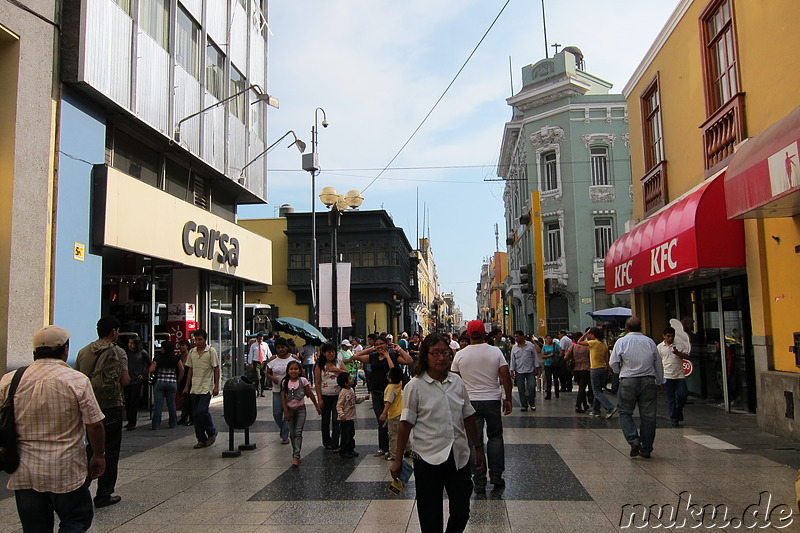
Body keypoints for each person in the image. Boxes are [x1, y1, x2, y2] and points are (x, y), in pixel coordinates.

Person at [3, 325, 106, 531]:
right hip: (66, 469)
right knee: (75, 521)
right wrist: (98, 455)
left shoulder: (10, 380)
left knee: (34, 527)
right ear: (64, 349)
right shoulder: (76, 380)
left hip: (25, 470)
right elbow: (94, 424)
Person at [391, 332, 484, 533]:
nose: (441, 358)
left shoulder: (457, 382)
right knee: (430, 516)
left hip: (458, 456)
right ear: (425, 356)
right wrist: (398, 459)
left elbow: (468, 415)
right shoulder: (414, 386)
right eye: (435, 353)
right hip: (427, 457)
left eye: (445, 353)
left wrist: (477, 447)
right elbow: (405, 423)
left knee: (461, 510)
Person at [450, 319, 512, 494]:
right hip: (492, 400)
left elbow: (454, 381)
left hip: (469, 403)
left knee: (474, 441)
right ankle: (496, 476)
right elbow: (505, 375)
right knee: (495, 437)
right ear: (485, 333)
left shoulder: (460, 355)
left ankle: (478, 480)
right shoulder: (495, 352)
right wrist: (507, 398)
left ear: (469, 334)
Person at [75, 315, 129, 508]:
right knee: (111, 451)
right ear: (113, 331)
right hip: (111, 407)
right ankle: (104, 494)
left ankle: (81, 489)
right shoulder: (119, 352)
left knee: (89, 449)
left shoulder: (83, 352)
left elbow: (79, 380)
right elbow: (124, 380)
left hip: (88, 407)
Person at [609, 317, 664, 458]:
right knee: (649, 416)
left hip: (628, 380)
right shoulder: (649, 341)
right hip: (648, 380)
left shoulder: (621, 342)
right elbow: (658, 363)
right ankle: (646, 449)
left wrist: (619, 372)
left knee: (624, 412)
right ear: (641, 328)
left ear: (626, 329)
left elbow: (613, 362)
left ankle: (633, 439)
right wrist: (659, 381)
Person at [352, 335, 413, 457]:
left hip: (392, 394)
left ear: (387, 344)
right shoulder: (373, 356)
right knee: (381, 421)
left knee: (393, 422)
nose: (380, 346)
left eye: (382, 344)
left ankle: (397, 449)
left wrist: (397, 350)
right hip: (377, 393)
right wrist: (371, 349)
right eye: (377, 344)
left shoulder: (393, 356)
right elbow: (357, 356)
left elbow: (409, 361)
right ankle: (383, 448)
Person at [183, 329, 220, 449]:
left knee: (202, 410)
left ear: (205, 340)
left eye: (200, 339)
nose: (197, 342)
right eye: (196, 339)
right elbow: (190, 370)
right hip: (195, 387)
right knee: (195, 414)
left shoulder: (211, 352)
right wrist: (187, 386)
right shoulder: (192, 352)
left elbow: (216, 368)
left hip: (206, 386)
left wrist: (216, 386)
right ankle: (201, 438)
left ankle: (211, 431)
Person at [281, 360, 321, 466]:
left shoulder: (303, 381)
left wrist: (316, 405)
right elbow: (283, 397)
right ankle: (296, 451)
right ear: (288, 371)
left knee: (298, 433)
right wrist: (285, 411)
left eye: (296, 369)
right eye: (291, 369)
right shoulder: (285, 382)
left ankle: (296, 455)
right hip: (290, 410)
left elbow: (310, 394)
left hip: (301, 410)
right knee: (292, 433)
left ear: (299, 371)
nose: (293, 371)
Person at [314, 343, 348, 452]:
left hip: (338, 395)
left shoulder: (339, 363)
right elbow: (317, 382)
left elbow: (347, 374)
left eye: (333, 351)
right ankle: (326, 441)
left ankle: (335, 443)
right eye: (328, 352)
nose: (331, 354)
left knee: (336, 419)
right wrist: (319, 398)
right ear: (324, 353)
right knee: (325, 420)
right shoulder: (320, 365)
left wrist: (337, 370)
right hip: (325, 395)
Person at [577, 327, 616, 419]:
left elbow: (579, 341)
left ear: (593, 335)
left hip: (595, 369)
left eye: (590, 334)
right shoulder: (604, 345)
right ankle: (596, 410)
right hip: (603, 369)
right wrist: (609, 370)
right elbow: (607, 360)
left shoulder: (593, 343)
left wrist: (585, 334)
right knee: (599, 390)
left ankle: (610, 407)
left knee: (596, 391)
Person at [267, 337, 297, 444]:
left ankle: (285, 435)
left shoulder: (293, 359)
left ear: (287, 347)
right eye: (278, 347)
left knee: (288, 413)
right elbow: (268, 373)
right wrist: (272, 378)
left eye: (283, 347)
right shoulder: (272, 360)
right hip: (277, 390)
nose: (281, 349)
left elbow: (300, 372)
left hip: (290, 390)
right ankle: (284, 429)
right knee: (277, 413)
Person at [658, 326, 689, 427]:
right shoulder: (660, 347)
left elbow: (687, 356)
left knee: (683, 395)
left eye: (672, 336)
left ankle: (678, 408)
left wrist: (678, 353)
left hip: (679, 374)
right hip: (667, 375)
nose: (670, 338)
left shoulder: (679, 345)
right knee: (670, 398)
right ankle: (674, 418)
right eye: (668, 336)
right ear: (664, 336)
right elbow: (658, 361)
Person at [149, 340, 183, 430]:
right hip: (172, 383)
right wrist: (178, 380)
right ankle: (173, 423)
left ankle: (155, 424)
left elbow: (151, 370)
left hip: (160, 382)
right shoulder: (176, 358)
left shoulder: (158, 358)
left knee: (158, 405)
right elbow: (182, 370)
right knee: (171, 404)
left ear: (163, 349)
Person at [336, 372, 370, 458]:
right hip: (345, 418)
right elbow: (339, 405)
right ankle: (344, 450)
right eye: (350, 379)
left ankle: (351, 449)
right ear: (345, 383)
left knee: (351, 434)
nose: (352, 380)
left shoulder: (351, 390)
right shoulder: (343, 392)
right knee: (345, 435)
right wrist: (341, 414)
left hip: (351, 417)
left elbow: (355, 400)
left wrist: (364, 398)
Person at [122, 334, 149, 430]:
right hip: (127, 379)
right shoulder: (125, 352)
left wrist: (144, 374)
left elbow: (149, 364)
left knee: (133, 401)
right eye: (129, 343)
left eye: (132, 343)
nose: (130, 345)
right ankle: (129, 420)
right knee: (128, 401)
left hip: (136, 380)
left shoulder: (142, 353)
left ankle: (132, 421)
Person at [510, 330, 539, 412]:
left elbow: (535, 357)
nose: (516, 338)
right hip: (519, 370)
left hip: (530, 370)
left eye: (517, 336)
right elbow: (512, 359)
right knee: (521, 389)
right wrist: (512, 370)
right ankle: (524, 405)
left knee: (532, 386)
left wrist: (536, 367)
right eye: (515, 337)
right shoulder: (514, 347)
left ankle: (532, 402)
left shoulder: (530, 345)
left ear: (522, 337)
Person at [378, 366, 404, 461]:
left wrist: (384, 413)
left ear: (390, 378)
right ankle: (408, 449)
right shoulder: (399, 384)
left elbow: (388, 401)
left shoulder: (390, 388)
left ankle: (393, 454)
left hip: (393, 415)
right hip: (401, 413)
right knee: (403, 433)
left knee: (393, 435)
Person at [566, 332, 592, 413]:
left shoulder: (573, 347)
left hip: (576, 369)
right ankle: (578, 405)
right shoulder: (587, 347)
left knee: (581, 387)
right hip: (586, 368)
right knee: (582, 387)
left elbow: (565, 356)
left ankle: (584, 404)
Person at [247, 332, 271, 396]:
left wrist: (271, 361)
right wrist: (250, 363)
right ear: (257, 339)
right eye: (259, 339)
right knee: (257, 377)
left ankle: (262, 391)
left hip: (264, 362)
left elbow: (268, 353)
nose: (260, 340)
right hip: (256, 362)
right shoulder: (253, 346)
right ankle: (258, 390)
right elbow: (251, 354)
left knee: (263, 377)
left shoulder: (265, 345)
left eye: (262, 339)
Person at [176, 339, 193, 426]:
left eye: (183, 345)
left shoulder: (190, 355)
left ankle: (190, 417)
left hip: (188, 379)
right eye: (180, 345)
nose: (182, 347)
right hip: (181, 380)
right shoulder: (179, 356)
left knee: (188, 399)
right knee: (183, 400)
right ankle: (184, 416)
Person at [540, 334, 561, 400]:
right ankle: (548, 394)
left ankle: (557, 393)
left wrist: (557, 358)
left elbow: (561, 352)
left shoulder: (556, 345)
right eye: (547, 338)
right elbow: (542, 356)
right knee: (548, 379)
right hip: (547, 364)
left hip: (555, 364)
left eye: (550, 338)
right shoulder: (544, 347)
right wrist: (549, 355)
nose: (549, 340)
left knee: (555, 379)